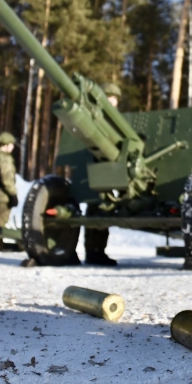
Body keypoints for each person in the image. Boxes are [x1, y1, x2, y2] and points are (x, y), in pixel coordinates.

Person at [83, 82, 121, 266]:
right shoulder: (93, 117)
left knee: (103, 211)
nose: (111, 101)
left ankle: (98, 252)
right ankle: (92, 252)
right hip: (97, 169)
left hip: (113, 170)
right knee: (94, 211)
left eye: (113, 99)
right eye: (108, 97)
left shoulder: (118, 120)